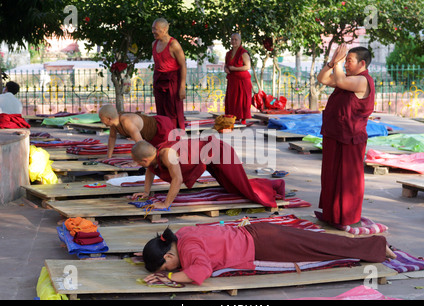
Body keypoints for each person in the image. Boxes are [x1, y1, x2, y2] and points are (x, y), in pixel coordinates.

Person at [142, 224, 397, 286]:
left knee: (320, 247)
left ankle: (375, 246)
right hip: (259, 233)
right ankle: (374, 245)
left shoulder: (187, 249)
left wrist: (171, 277)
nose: (170, 270)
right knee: (318, 241)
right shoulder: (183, 233)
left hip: (264, 245)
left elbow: (201, 271)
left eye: (166, 267)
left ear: (167, 257)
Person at [130, 137, 285, 209]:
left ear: (144, 160)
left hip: (220, 152)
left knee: (243, 188)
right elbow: (150, 171)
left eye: (137, 162)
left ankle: (276, 184)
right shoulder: (154, 156)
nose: (137, 165)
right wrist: (145, 191)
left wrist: (165, 204)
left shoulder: (166, 154)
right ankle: (270, 185)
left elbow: (177, 179)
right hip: (209, 157)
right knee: (233, 189)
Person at [316, 44, 375, 226]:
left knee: (347, 179)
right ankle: (331, 215)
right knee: (330, 175)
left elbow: (340, 81)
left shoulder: (362, 81)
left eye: (349, 61)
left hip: (350, 137)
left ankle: (347, 217)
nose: (347, 65)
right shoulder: (348, 78)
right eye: (346, 61)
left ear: (362, 63)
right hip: (334, 133)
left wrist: (339, 63)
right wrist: (333, 61)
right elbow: (322, 78)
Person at [98, 104, 176, 158]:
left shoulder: (126, 121)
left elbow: (140, 142)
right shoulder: (114, 123)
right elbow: (112, 138)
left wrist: (136, 162)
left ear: (109, 118)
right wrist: (108, 157)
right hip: (151, 135)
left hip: (162, 128)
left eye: (101, 118)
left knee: (168, 155)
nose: (101, 120)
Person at [152, 18, 186, 130]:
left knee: (173, 112)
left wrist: (182, 87)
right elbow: (156, 66)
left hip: (172, 82)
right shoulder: (154, 44)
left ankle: (175, 137)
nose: (153, 31)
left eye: (155, 29)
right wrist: (154, 85)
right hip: (159, 81)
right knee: (160, 112)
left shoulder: (174, 44)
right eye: (152, 29)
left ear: (165, 29)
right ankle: (164, 136)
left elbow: (183, 65)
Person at [224, 33, 253, 125]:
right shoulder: (228, 53)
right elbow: (226, 65)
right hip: (232, 80)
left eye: (236, 39)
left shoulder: (243, 53)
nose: (234, 41)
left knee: (242, 100)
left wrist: (234, 69)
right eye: (232, 39)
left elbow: (248, 66)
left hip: (242, 80)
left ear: (240, 41)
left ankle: (243, 118)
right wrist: (226, 69)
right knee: (232, 99)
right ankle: (233, 117)